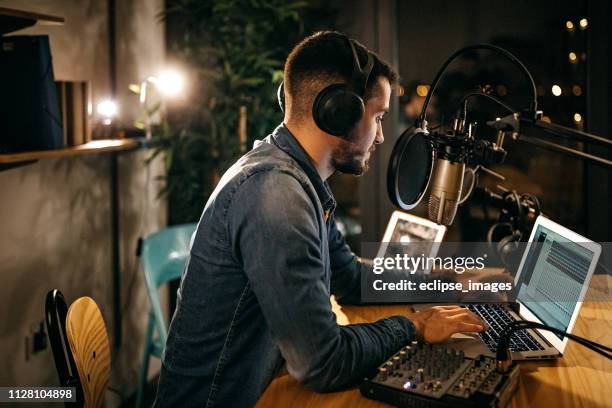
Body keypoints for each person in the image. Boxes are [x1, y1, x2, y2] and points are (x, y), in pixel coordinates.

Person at [153, 31, 486, 408]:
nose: (379, 137)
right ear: (339, 112)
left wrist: (446, 285)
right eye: (377, 117)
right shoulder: (276, 196)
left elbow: (350, 278)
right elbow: (323, 362)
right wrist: (415, 327)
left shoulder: (296, 179)